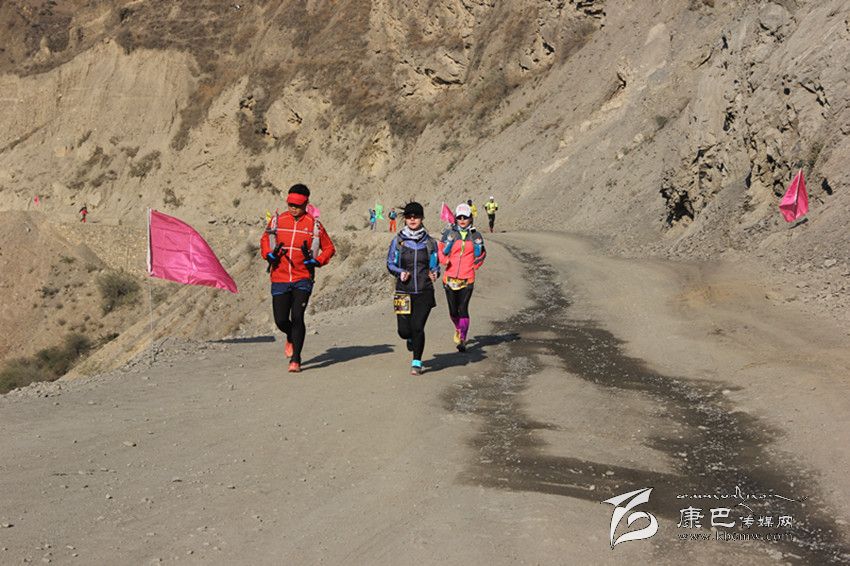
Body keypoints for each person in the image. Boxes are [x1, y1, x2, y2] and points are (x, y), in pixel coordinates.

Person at [261, 184, 335, 373]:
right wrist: (268, 255)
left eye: (298, 205)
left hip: (303, 278)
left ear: (306, 203)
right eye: (290, 204)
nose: (293, 208)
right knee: (280, 320)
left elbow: (329, 248)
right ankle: (290, 336)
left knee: (297, 317)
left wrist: (317, 261)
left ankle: (296, 359)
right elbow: (265, 240)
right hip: (279, 277)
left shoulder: (315, 225)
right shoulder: (277, 221)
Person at [386, 201, 440, 376]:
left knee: (418, 326)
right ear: (405, 219)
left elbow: (435, 265)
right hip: (403, 292)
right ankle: (410, 339)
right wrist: (400, 272)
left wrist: (435, 273)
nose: (412, 219)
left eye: (416, 216)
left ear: (422, 218)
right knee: (404, 331)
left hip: (424, 291)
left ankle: (417, 361)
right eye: (409, 216)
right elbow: (390, 263)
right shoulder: (398, 242)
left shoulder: (430, 242)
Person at [439, 203, 486, 352]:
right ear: (456, 218)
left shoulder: (476, 235)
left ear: (470, 218)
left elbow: (482, 253)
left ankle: (463, 339)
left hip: (467, 278)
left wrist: (475, 265)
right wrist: (444, 260)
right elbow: (439, 250)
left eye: (465, 217)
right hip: (450, 278)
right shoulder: (449, 233)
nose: (462, 220)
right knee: (453, 311)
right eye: (459, 217)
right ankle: (458, 328)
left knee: (463, 308)